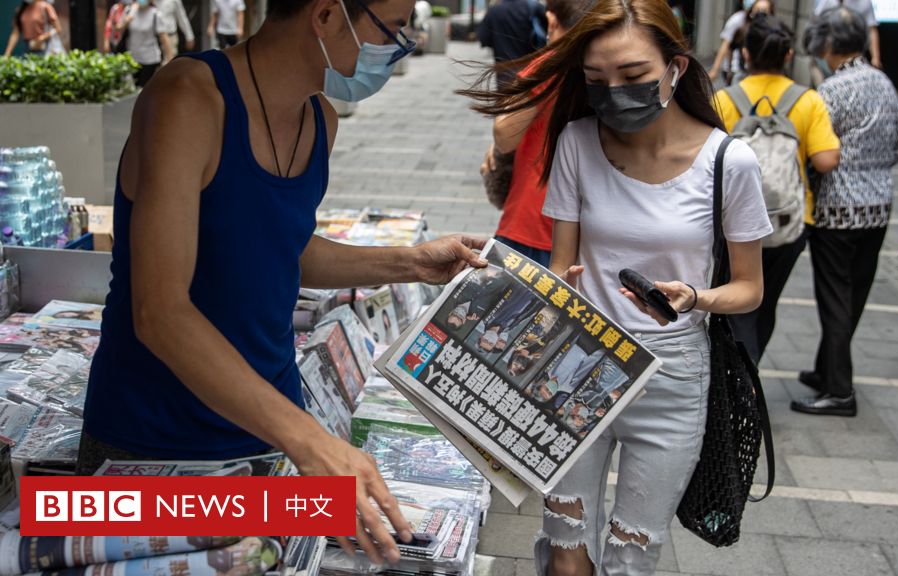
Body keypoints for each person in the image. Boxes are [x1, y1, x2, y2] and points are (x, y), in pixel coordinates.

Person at [78, 0, 484, 566]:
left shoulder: (322, 120)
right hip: (151, 438)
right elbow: (159, 311)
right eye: (390, 29)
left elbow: (280, 249)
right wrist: (310, 438)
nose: (398, 46)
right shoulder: (189, 97)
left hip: (264, 428)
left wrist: (411, 263)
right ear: (325, 15)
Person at [464, 0, 771, 571]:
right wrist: (553, 289)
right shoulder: (578, 142)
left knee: (632, 558)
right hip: (575, 363)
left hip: (672, 376)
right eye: (596, 81)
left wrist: (696, 298)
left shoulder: (730, 162)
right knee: (565, 554)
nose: (614, 93)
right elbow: (563, 263)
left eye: (633, 76)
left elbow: (749, 288)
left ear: (676, 66)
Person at [795, 7, 898, 417]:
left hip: (837, 209)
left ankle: (839, 391)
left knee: (834, 299)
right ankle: (828, 369)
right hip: (879, 205)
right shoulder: (883, 82)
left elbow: (815, 152)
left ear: (827, 44)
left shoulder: (831, 91)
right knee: (854, 295)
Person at [714, 14, 839, 363]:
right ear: (787, 56)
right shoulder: (808, 101)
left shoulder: (724, 100)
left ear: (746, 54)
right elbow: (826, 159)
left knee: (734, 298)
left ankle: (735, 375)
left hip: (729, 224)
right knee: (765, 303)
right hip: (789, 222)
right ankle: (750, 370)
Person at [480, 0, 587, 267]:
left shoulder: (548, 65)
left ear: (552, 21)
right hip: (593, 234)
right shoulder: (614, 63)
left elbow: (504, 135)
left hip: (532, 223)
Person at [477, 0, 547, 86]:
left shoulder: (494, 10)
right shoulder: (535, 7)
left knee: (506, 97)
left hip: (504, 72)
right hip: (530, 69)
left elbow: (483, 39)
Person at [707, 0, 774, 84]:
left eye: (765, 10)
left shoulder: (773, 28)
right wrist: (716, 69)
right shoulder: (741, 23)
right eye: (758, 9)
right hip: (740, 71)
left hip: (761, 74)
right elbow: (727, 46)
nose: (761, 13)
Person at [814, 0, 881, 69]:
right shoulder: (827, 2)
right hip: (829, 50)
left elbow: (871, 29)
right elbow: (817, 23)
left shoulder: (864, 2)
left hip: (853, 52)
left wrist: (875, 58)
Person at [119, 0, 171, 87]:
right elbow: (118, 29)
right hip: (133, 58)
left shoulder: (155, 14)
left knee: (145, 88)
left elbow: (164, 37)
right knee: (136, 86)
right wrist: (128, 19)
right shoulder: (129, 10)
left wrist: (170, 58)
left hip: (150, 58)